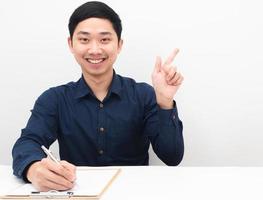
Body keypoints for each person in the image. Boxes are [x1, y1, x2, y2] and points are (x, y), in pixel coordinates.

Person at [12, 1, 184, 191]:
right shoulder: (54, 99)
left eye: (104, 40)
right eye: (84, 40)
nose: (94, 50)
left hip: (133, 192)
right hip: (76, 192)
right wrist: (33, 168)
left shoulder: (143, 95)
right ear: (71, 44)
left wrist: (165, 102)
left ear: (119, 45)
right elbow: (28, 142)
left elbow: (172, 157)